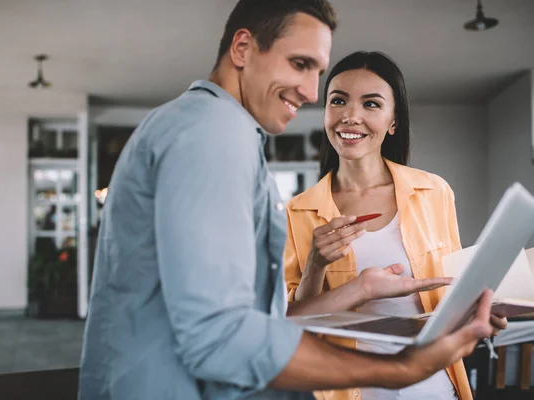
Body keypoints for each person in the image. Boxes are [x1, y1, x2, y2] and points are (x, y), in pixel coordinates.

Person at [79, 2, 494, 399]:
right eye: (299, 64)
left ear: (392, 121)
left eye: (317, 71)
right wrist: (402, 368)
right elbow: (220, 335)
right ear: (242, 48)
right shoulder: (214, 136)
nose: (311, 93)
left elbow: (261, 320)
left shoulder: (207, 129)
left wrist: (363, 287)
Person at [284, 51, 506, 400]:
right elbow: (291, 324)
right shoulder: (297, 211)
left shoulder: (434, 191)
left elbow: (453, 287)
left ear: (393, 121)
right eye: (338, 101)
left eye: (371, 104)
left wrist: (481, 313)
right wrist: (315, 265)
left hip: (435, 385)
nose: (350, 116)